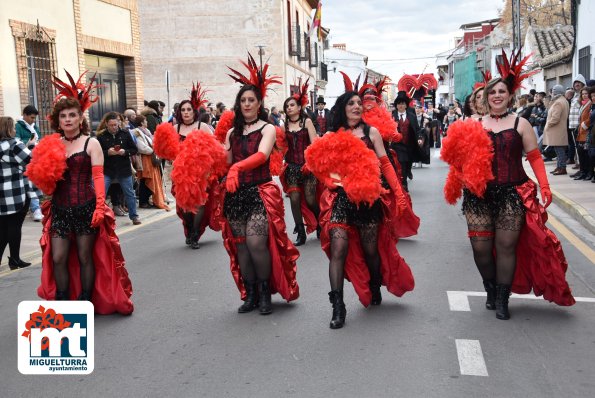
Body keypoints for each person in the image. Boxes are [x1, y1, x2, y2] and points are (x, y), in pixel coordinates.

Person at [441, 50, 575, 320]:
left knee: (505, 247)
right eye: (492, 93)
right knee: (480, 248)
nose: (497, 96)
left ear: (509, 95)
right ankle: (490, 288)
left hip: (512, 193)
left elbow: (535, 158)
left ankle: (502, 298)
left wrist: (545, 187)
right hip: (479, 195)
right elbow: (456, 160)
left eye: (502, 91)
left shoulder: (521, 123)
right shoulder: (473, 124)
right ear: (486, 98)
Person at [305, 90, 414, 329]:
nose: (356, 107)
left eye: (359, 104)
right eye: (351, 103)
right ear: (342, 107)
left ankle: (375, 285)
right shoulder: (332, 135)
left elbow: (385, 164)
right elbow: (315, 162)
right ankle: (338, 306)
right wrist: (330, 180)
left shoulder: (371, 132)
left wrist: (398, 193)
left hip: (368, 200)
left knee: (370, 251)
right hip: (341, 199)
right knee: (338, 247)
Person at [28, 71, 133, 314]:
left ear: (79, 118)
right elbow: (46, 180)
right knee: (58, 257)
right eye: (63, 115)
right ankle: (63, 301)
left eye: (72, 115)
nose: (67, 119)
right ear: (58, 119)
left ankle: (85, 300)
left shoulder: (91, 143)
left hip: (86, 206)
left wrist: (99, 205)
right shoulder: (53, 143)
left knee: (86, 257)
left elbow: (98, 176)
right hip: (60, 208)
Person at [223, 53, 299, 315]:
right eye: (242, 100)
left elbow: (262, 156)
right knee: (241, 246)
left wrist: (236, 167)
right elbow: (225, 161)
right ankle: (251, 293)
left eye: (251, 100)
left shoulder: (267, 128)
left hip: (259, 192)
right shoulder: (232, 132)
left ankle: (266, 292)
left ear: (259, 103)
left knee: (256, 243)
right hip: (235, 195)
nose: (246, 104)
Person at [171, 84, 215, 249]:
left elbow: (213, 148)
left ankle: (195, 234)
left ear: (194, 111)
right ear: (179, 112)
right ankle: (189, 229)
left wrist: (209, 169)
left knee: (201, 203)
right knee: (186, 208)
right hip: (181, 174)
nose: (186, 112)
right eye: (183, 110)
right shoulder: (175, 129)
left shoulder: (202, 127)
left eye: (189, 109)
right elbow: (169, 152)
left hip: (200, 173)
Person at [280, 80, 320, 246]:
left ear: (299, 107)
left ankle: (320, 223)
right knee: (294, 198)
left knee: (310, 199)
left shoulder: (307, 122)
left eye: (292, 105)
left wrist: (310, 163)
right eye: (287, 106)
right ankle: (300, 232)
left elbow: (315, 144)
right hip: (291, 167)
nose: (289, 108)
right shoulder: (284, 126)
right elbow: (281, 146)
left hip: (308, 166)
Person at [0, 117, 34, 269]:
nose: (14, 129)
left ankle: (14, 259)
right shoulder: (14, 144)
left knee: (3, 228)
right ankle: (14, 259)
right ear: (8, 128)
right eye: (12, 126)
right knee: (14, 227)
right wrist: (32, 146)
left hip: (2, 193)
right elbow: (31, 159)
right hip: (16, 192)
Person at [97, 112, 141, 225]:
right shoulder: (101, 137)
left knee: (129, 193)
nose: (113, 127)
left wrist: (124, 152)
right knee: (100, 193)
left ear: (119, 124)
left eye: (115, 125)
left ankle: (134, 216)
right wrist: (108, 153)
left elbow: (134, 150)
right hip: (108, 169)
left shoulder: (125, 134)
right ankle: (98, 217)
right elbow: (97, 153)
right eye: (111, 125)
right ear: (106, 124)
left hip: (123, 169)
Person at [131, 114, 170, 209]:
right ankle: (143, 202)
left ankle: (147, 200)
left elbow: (152, 142)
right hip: (145, 159)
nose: (147, 122)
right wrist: (154, 150)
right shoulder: (136, 132)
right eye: (145, 121)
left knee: (152, 179)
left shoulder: (146, 131)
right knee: (146, 180)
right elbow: (141, 147)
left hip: (150, 159)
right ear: (141, 123)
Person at [15, 105, 43, 222]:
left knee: (34, 184)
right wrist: (29, 143)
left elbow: (39, 139)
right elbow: (16, 143)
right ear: (24, 115)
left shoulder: (34, 127)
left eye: (34, 118)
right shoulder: (18, 126)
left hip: (35, 158)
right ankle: (35, 209)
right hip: (23, 160)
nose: (33, 120)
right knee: (29, 185)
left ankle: (35, 209)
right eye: (31, 117)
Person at [392, 91, 422, 191]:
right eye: (399, 103)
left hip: (409, 145)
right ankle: (404, 185)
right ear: (396, 105)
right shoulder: (391, 116)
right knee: (401, 163)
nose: (401, 106)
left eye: (403, 103)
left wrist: (419, 139)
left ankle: (408, 171)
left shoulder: (412, 116)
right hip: (397, 146)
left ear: (406, 105)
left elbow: (417, 130)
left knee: (407, 163)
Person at [543, 85, 570, 175]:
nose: (552, 93)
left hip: (556, 130)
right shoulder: (563, 100)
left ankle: (562, 168)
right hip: (559, 129)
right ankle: (559, 167)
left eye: (553, 91)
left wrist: (547, 125)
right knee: (559, 150)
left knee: (559, 151)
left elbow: (555, 118)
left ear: (556, 92)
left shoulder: (558, 102)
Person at [571, 87, 593, 180]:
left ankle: (588, 172)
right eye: (583, 94)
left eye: (586, 94)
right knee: (581, 153)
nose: (584, 95)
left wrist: (584, 124)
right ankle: (583, 171)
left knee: (586, 154)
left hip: (586, 132)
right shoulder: (583, 104)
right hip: (581, 132)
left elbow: (591, 117)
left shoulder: (590, 104)